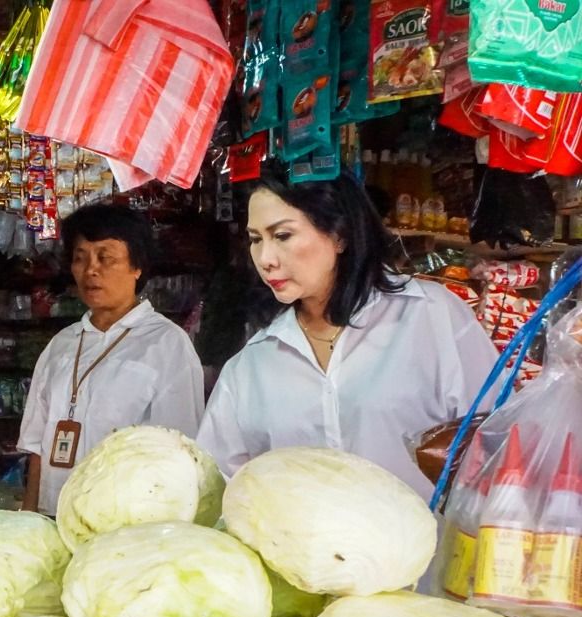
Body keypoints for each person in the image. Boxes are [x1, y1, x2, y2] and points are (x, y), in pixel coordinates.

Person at [197, 169, 498, 499]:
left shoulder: (430, 316)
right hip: (299, 551)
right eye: (256, 240)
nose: (265, 259)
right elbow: (221, 481)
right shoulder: (252, 363)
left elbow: (497, 442)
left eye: (282, 235)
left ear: (339, 235)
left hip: (431, 549)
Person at [19, 204, 205, 515]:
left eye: (106, 258)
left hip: (123, 520)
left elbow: (180, 452)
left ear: (137, 267)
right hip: (53, 512)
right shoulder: (61, 345)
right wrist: (29, 516)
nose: (91, 270)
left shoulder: (166, 344)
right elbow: (37, 446)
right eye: (80, 258)